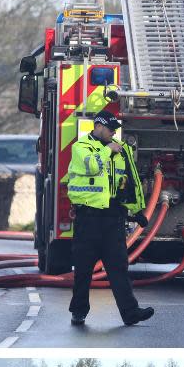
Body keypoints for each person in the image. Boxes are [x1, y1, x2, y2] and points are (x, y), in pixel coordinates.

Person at [62, 109, 155, 326]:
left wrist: (137, 211)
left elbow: (127, 184)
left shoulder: (120, 150)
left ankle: (130, 313)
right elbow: (92, 166)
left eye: (115, 129)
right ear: (98, 127)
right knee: (83, 269)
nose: (113, 132)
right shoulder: (81, 147)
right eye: (110, 129)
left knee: (118, 267)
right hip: (88, 218)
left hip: (113, 218)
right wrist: (108, 151)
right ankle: (79, 311)